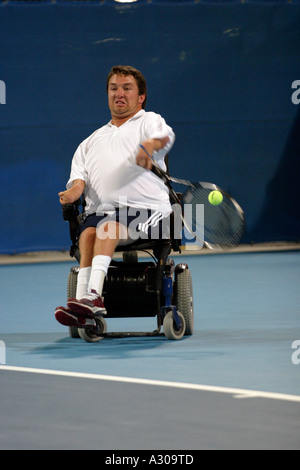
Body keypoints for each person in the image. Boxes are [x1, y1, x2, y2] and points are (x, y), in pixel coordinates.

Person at [55, 65, 175, 328]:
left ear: (141, 96)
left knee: (106, 229)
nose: (119, 93)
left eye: (127, 88)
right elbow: (79, 179)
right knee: (87, 234)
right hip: (101, 213)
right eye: (114, 88)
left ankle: (93, 298)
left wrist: (148, 146)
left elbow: (163, 137)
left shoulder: (149, 121)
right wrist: (74, 192)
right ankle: (81, 305)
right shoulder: (89, 142)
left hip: (147, 210)